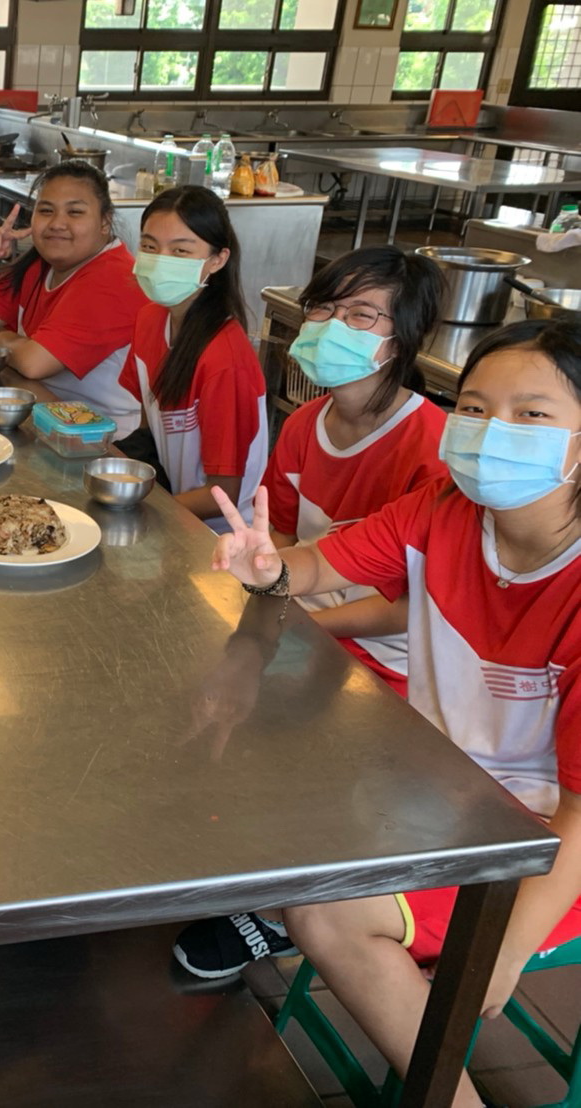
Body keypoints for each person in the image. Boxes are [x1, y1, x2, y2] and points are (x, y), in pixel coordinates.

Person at [176, 318, 581, 1108]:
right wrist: (268, 568)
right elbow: (317, 564)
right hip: (439, 788)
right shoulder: (443, 509)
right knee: (240, 768)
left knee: (325, 915)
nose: (491, 431)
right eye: (473, 407)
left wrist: (501, 951)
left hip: (541, 845)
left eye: (531, 413)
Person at [263, 245, 447, 695]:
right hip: (298, 614)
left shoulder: (433, 447)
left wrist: (303, 625)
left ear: (401, 338)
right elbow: (282, 533)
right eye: (323, 308)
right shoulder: (303, 425)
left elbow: (410, 607)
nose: (332, 325)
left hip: (381, 656)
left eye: (361, 315)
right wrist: (267, 597)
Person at [0, 161, 149, 438]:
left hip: (101, 437)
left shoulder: (115, 279)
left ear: (105, 222)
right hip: (48, 413)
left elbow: (34, 364)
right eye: (46, 211)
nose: (57, 224)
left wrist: (1, 338)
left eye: (75, 212)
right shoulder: (42, 265)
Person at [119, 185, 268, 532]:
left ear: (217, 260)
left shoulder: (225, 359)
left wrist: (137, 506)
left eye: (180, 251)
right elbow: (148, 430)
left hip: (221, 533)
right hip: (172, 504)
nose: (160, 260)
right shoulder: (150, 320)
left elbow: (222, 495)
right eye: (149, 247)